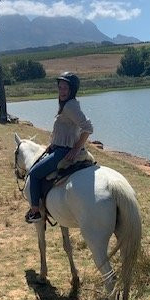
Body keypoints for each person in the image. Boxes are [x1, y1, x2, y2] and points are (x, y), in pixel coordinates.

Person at [25, 71, 93, 223]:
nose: (61, 91)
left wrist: (76, 149)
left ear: (71, 90)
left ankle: (35, 211)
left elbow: (88, 127)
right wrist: (53, 143)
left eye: (65, 88)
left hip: (63, 151)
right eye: (60, 88)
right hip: (58, 147)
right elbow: (67, 129)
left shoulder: (69, 106)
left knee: (34, 174)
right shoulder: (69, 105)